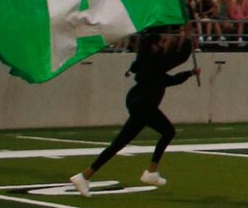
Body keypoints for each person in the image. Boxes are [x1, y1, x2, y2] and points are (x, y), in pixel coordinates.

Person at [68, 24, 198, 194]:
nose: (165, 45)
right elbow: (179, 57)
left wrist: (189, 73)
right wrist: (187, 37)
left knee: (119, 143)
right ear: (154, 45)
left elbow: (169, 79)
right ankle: (151, 171)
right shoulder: (154, 60)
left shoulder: (149, 58)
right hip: (144, 104)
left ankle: (84, 176)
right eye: (162, 42)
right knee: (168, 132)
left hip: (139, 103)